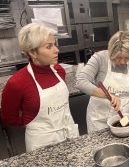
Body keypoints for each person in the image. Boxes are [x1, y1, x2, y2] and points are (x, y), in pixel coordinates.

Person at [0, 23, 79, 152]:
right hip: (42, 143)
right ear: (32, 52)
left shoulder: (59, 71)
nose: (56, 50)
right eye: (49, 47)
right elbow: (9, 118)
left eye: (54, 44)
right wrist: (33, 123)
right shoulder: (17, 83)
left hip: (69, 134)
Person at [76, 31, 129, 133]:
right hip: (99, 120)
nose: (122, 62)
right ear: (111, 52)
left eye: (126, 58)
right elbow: (81, 82)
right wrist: (108, 95)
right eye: (118, 58)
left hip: (124, 117)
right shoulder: (100, 58)